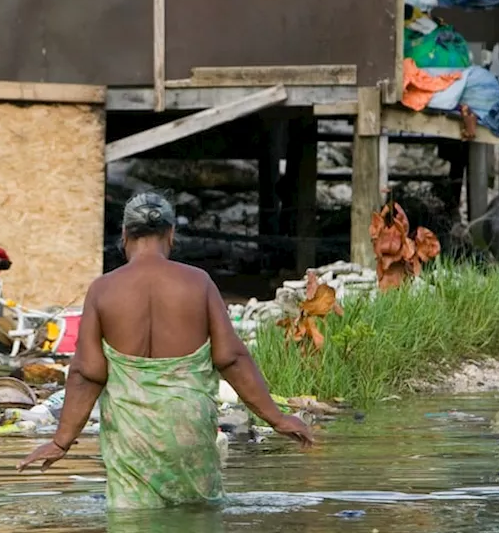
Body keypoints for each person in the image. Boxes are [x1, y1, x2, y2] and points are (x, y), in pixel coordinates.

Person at [17, 192, 314, 510]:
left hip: (131, 436)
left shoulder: (103, 289)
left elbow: (86, 372)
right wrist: (277, 419)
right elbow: (232, 357)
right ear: (171, 234)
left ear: (124, 234)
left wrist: (61, 441)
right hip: (189, 428)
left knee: (131, 528)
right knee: (197, 517)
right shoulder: (198, 283)